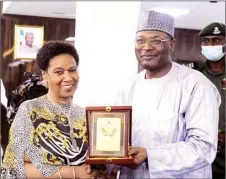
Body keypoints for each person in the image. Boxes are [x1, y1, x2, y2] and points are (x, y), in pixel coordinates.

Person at [112, 10, 221, 178]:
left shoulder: (197, 85)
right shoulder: (128, 87)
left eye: (156, 40)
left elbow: (204, 147)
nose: (146, 47)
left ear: (171, 43)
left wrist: (150, 155)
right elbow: (116, 137)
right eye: (140, 40)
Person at [1, 41, 114, 179]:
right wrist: (75, 172)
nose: (68, 78)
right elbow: (13, 166)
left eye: (72, 70)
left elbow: (97, 162)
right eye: (59, 72)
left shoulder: (85, 115)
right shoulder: (30, 110)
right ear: (45, 75)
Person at [198, 22, 225, 179]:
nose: (210, 44)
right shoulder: (194, 74)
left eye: (216, 40)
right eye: (206, 41)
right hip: (200, 152)